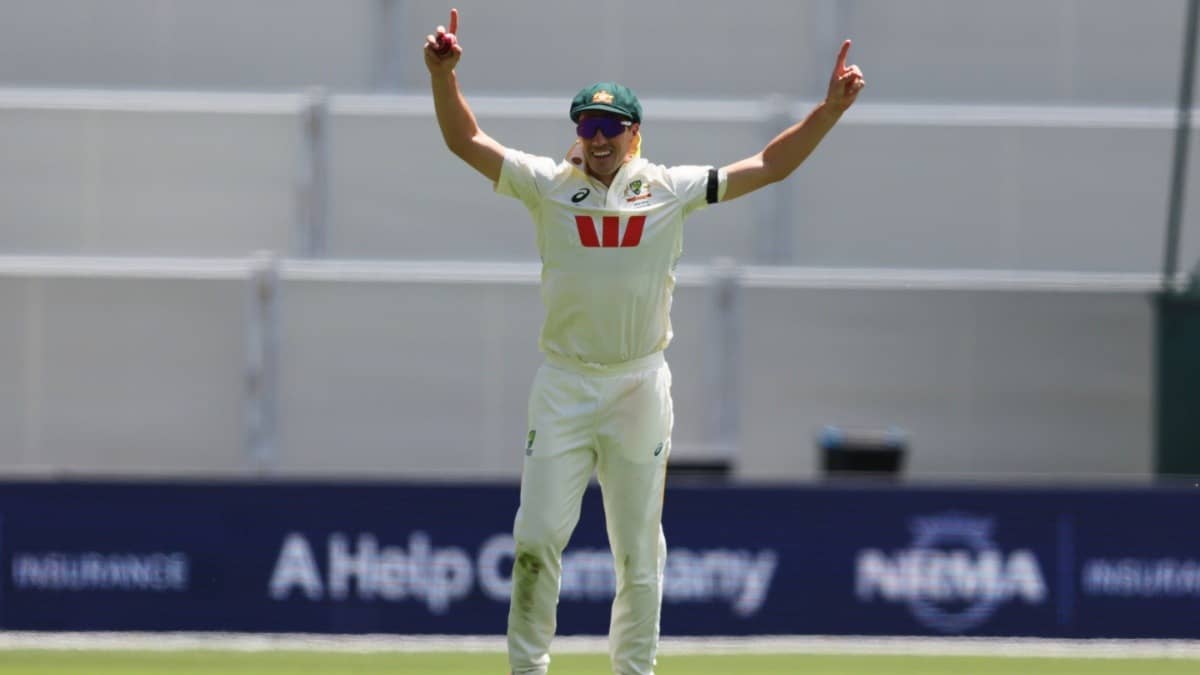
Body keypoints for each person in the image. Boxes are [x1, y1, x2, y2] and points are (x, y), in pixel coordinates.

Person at [423, 8, 864, 675]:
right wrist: (441, 76)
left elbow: (770, 164)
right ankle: (526, 668)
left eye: (611, 127)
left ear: (635, 134)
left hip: (637, 383)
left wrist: (828, 113)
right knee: (537, 536)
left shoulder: (667, 187)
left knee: (637, 549)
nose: (597, 138)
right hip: (565, 381)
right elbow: (466, 141)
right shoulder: (548, 184)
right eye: (588, 125)